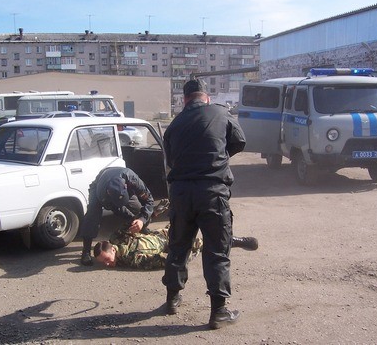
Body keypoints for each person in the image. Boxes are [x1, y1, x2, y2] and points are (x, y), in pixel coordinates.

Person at [162, 78, 248, 330]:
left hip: (180, 193)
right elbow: (239, 141)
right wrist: (216, 157)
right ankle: (218, 312)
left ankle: (171, 300)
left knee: (178, 247)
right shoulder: (222, 113)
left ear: (184, 99)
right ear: (206, 97)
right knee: (217, 251)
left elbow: (171, 159)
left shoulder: (174, 125)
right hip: (211, 192)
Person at [78, 166, 156, 266]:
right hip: (98, 184)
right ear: (109, 193)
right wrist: (132, 218)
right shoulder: (102, 194)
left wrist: (141, 219)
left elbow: (149, 200)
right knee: (92, 215)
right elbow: (118, 210)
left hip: (122, 184)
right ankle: (86, 251)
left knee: (138, 210)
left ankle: (141, 228)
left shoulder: (133, 179)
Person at [94, 226, 258, 270]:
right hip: (167, 243)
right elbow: (164, 261)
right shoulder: (127, 259)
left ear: (113, 249)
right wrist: (188, 255)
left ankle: (231, 240)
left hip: (162, 234)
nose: (107, 264)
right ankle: (236, 241)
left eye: (107, 260)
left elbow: (128, 225)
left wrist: (140, 221)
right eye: (104, 263)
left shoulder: (119, 243)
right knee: (201, 244)